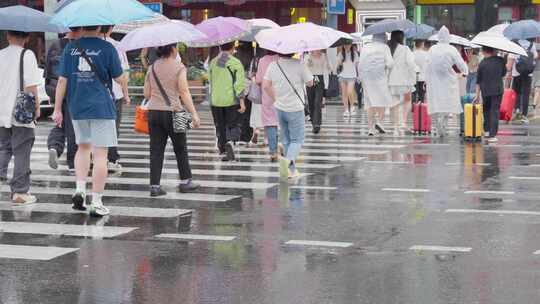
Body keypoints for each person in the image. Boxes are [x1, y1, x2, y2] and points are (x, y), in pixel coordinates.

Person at [54, 25, 127, 217]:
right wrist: (125, 81)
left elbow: (62, 80)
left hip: (77, 105)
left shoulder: (71, 48)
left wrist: (57, 109)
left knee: (83, 148)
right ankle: (96, 201)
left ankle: (79, 189)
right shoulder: (108, 48)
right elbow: (119, 78)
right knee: (101, 154)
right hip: (101, 106)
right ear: (100, 26)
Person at [143, 43, 201, 197]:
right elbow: (184, 91)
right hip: (176, 110)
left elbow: (147, 94)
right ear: (173, 49)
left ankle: (155, 186)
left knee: (156, 150)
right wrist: (194, 113)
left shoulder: (152, 67)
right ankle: (185, 182)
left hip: (154, 111)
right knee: (181, 148)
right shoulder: (179, 67)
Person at [0, 31, 42, 204]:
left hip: (1, 110)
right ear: (27, 38)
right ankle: (19, 192)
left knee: (4, 148)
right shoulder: (27, 54)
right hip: (21, 112)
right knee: (22, 150)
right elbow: (31, 86)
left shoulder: (0, 54)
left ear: (8, 36)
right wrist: (37, 107)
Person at [263, 53, 314, 180]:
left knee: (286, 140)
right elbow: (310, 83)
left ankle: (291, 170)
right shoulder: (300, 64)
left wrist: (275, 98)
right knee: (297, 140)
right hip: (295, 108)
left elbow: (265, 86)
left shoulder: (273, 65)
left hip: (279, 107)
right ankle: (288, 164)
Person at [46, 27, 83, 171]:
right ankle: (73, 162)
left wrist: (52, 94)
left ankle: (54, 147)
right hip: (73, 89)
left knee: (60, 123)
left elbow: (47, 70)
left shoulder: (55, 44)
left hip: (54, 88)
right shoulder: (80, 46)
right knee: (74, 126)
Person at [425, 26, 468, 137]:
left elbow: (426, 64)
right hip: (448, 80)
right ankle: (443, 123)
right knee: (448, 102)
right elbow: (461, 64)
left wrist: (426, 79)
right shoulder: (451, 49)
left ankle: (436, 123)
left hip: (433, 80)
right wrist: (465, 72)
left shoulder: (432, 49)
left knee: (435, 101)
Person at [100, 25, 131, 173]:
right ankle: (111, 159)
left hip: (95, 94)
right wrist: (126, 94)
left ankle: (96, 158)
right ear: (111, 28)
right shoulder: (118, 47)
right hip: (115, 94)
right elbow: (123, 74)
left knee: (96, 128)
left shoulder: (86, 45)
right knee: (112, 127)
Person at [208, 41, 246, 161]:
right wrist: (242, 101)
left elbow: (210, 80)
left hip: (215, 100)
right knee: (233, 123)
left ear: (220, 47)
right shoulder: (235, 62)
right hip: (230, 100)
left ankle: (222, 148)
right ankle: (230, 142)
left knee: (220, 125)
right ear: (233, 47)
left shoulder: (213, 62)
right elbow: (239, 84)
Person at [358, 33, 394, 136]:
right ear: (383, 38)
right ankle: (380, 122)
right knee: (382, 100)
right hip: (380, 78)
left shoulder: (365, 47)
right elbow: (390, 63)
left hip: (367, 79)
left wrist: (360, 78)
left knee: (369, 102)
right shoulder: (385, 47)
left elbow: (360, 64)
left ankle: (370, 128)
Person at [388, 30, 417, 135]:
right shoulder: (405, 49)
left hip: (391, 80)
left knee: (394, 104)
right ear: (401, 38)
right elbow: (410, 63)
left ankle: (395, 126)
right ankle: (403, 122)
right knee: (407, 100)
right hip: (404, 80)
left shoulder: (389, 49)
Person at [475, 46, 507, 143]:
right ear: (493, 50)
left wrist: (477, 95)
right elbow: (503, 73)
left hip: (486, 91)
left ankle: (487, 130)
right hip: (497, 90)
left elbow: (478, 81)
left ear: (484, 51)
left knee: (486, 110)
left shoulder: (482, 63)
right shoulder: (500, 60)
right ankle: (493, 134)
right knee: (495, 111)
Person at [507, 39, 538, 124]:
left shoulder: (514, 44)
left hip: (516, 73)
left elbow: (510, 62)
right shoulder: (531, 45)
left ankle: (517, 110)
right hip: (528, 73)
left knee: (516, 93)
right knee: (525, 94)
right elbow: (535, 56)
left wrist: (509, 71)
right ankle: (524, 115)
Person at [256, 50, 280, 161]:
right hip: (281, 93)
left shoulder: (262, 60)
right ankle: (283, 146)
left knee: (270, 123)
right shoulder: (280, 59)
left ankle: (273, 151)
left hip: (267, 95)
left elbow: (259, 80)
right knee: (282, 121)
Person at [305, 50, 331, 134]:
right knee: (311, 102)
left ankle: (317, 124)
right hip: (310, 79)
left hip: (320, 79)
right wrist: (307, 64)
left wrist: (328, 64)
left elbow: (329, 70)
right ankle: (314, 122)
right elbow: (304, 69)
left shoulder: (324, 56)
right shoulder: (307, 56)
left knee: (317, 102)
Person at [337, 44, 359, 117]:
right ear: (343, 46)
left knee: (350, 91)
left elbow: (357, 65)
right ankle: (346, 110)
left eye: (348, 45)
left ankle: (352, 107)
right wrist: (339, 63)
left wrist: (359, 75)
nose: (346, 46)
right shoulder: (340, 53)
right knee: (344, 93)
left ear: (351, 45)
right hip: (343, 75)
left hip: (352, 76)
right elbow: (338, 65)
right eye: (345, 45)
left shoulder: (355, 54)